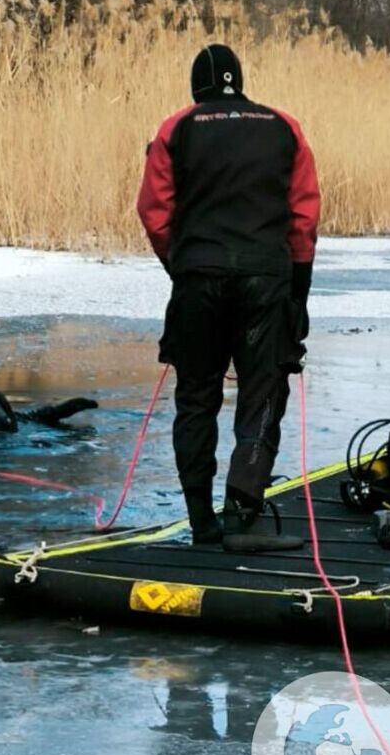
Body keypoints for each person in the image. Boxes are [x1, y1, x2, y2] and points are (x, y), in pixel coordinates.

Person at [135, 43, 320, 546]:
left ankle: (201, 522)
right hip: (266, 280)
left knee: (196, 398)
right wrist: (297, 292)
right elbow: (303, 217)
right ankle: (244, 514)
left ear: (197, 87)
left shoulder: (176, 128)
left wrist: (183, 265)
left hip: (199, 279)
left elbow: (153, 212)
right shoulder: (284, 126)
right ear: (241, 79)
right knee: (263, 392)